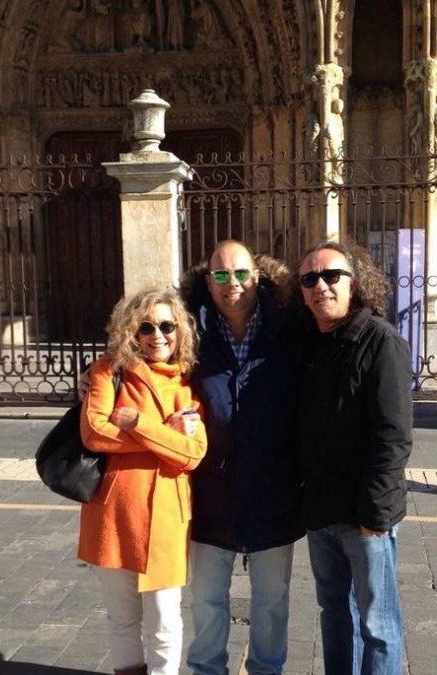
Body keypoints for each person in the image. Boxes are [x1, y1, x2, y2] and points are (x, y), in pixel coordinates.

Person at [288, 239, 413, 675]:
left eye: (331, 275)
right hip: (321, 510)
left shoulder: (381, 342)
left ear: (355, 283)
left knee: (378, 622)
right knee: (333, 613)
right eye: (309, 279)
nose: (320, 285)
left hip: (364, 515)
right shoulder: (310, 344)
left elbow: (393, 436)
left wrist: (375, 514)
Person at [179, 240, 303, 675]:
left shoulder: (289, 328)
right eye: (219, 275)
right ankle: (207, 670)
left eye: (239, 273)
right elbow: (141, 355)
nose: (230, 283)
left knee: (271, 601)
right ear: (206, 281)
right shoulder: (187, 332)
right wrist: (100, 375)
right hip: (210, 492)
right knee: (208, 600)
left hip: (274, 491)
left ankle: (266, 671)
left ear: (257, 276)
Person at [79, 286, 208, 675]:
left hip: (168, 518)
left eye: (166, 326)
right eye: (145, 327)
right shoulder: (108, 370)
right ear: (130, 332)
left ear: (180, 330)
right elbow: (94, 434)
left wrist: (138, 423)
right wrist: (163, 435)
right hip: (115, 514)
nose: (157, 336)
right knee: (122, 618)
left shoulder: (188, 381)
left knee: (165, 621)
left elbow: (193, 454)